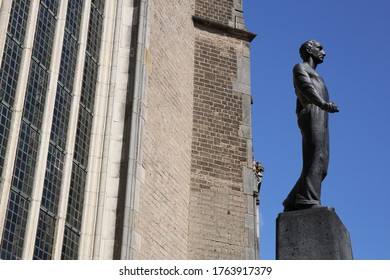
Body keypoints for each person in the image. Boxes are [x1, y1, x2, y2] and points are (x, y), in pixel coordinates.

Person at [283, 40, 339, 212]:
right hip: (312, 112)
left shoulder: (316, 73)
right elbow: (306, 89)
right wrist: (323, 104)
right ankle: (308, 200)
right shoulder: (300, 68)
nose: (324, 52)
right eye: (320, 48)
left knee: (322, 164)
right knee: (315, 156)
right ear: (309, 49)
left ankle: (292, 201)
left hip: (321, 115)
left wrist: (323, 107)